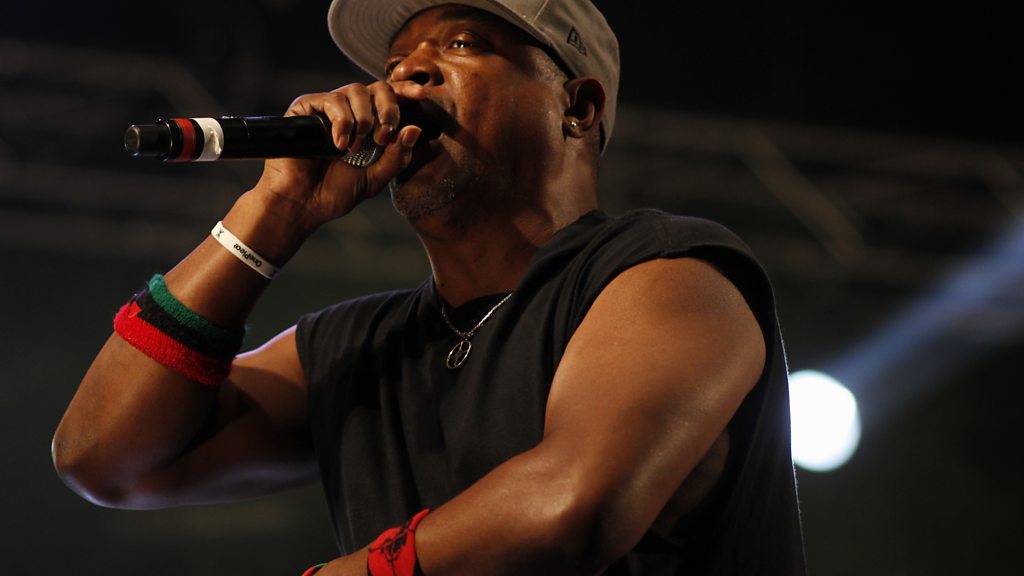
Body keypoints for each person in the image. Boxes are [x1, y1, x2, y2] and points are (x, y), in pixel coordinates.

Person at [53, 0, 806, 574]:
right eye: (396, 61)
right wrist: (273, 212)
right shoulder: (358, 345)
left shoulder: (671, 271)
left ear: (577, 108)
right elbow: (103, 460)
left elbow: (568, 507)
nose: (407, 74)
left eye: (461, 44)